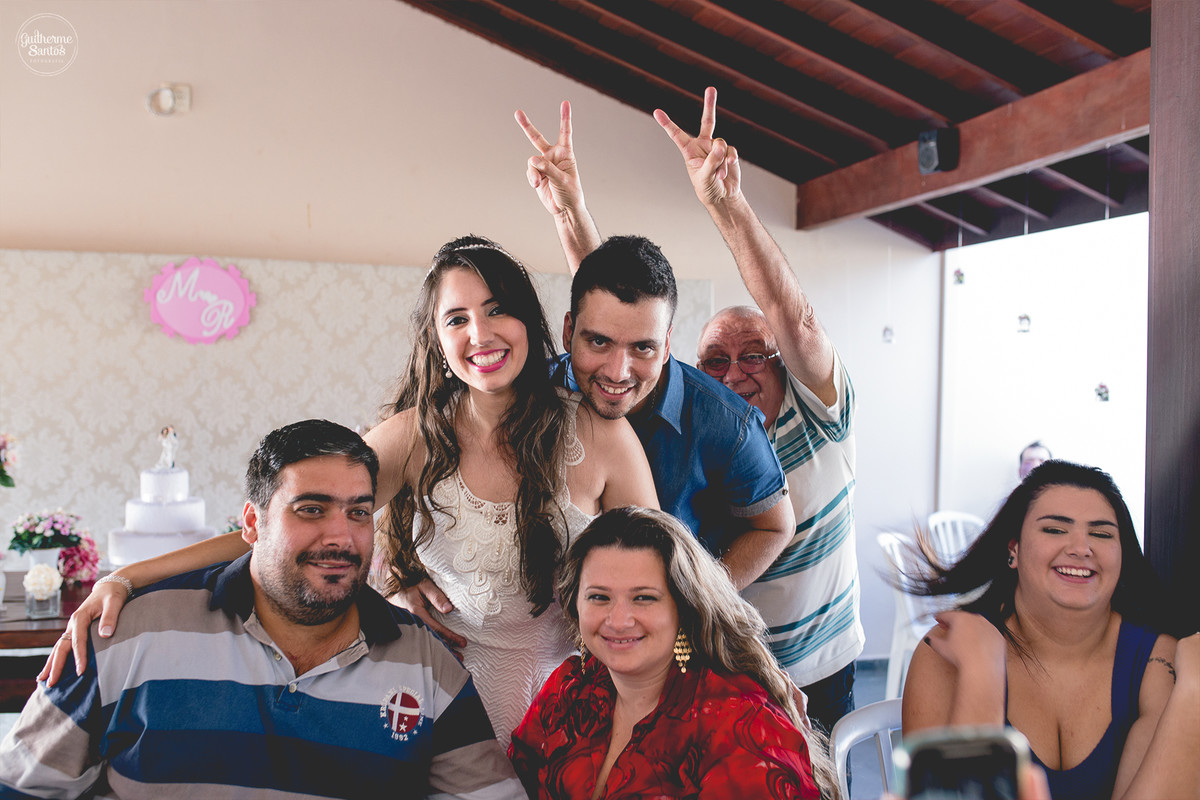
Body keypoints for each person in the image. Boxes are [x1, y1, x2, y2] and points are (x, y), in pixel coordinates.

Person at [41, 236, 658, 749]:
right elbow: (285, 534)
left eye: (498, 309)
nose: (481, 333)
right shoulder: (415, 437)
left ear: (530, 319)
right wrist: (125, 579)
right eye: (458, 319)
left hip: (587, 704)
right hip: (453, 702)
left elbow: (663, 575)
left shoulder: (601, 435)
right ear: (438, 341)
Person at [517, 88, 862, 732]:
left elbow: (773, 522)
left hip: (747, 652)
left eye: (756, 354)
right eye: (718, 360)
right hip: (570, 645)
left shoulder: (735, 418)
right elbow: (612, 317)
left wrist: (690, 603)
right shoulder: (552, 388)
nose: (736, 373)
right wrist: (568, 208)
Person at [2, 419, 525, 799]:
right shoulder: (122, 634)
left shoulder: (427, 665)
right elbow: (24, 786)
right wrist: (121, 580)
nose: (341, 536)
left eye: (359, 512)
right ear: (250, 524)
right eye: (311, 509)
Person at [515, 107, 796, 594]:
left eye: (642, 347)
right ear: (567, 332)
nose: (617, 371)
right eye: (598, 341)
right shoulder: (529, 391)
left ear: (667, 345)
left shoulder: (725, 423)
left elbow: (775, 526)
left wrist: (694, 603)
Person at [901, 459, 1200, 800]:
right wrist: (983, 676)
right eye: (1055, 530)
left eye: (1101, 534)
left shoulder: (1158, 660)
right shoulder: (946, 650)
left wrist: (1193, 692)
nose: (1080, 548)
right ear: (1013, 550)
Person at [509, 506, 837, 800]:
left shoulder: (741, 726)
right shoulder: (570, 686)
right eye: (599, 597)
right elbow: (510, 782)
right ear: (574, 605)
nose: (619, 620)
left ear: (683, 607)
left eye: (644, 598)